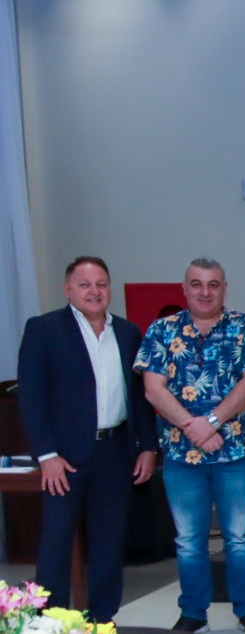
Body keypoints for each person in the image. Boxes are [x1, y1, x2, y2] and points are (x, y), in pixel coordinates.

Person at [135, 258, 245, 634]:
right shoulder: (162, 330)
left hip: (235, 452)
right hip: (181, 456)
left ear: (224, 288)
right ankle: (194, 612)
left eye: (213, 284)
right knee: (188, 541)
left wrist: (210, 422)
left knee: (240, 538)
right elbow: (153, 389)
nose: (205, 292)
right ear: (185, 289)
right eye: (197, 284)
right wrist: (192, 427)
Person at [18, 256, 157, 622]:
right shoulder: (44, 329)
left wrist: (148, 446)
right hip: (63, 457)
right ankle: (49, 622)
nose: (94, 291)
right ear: (68, 289)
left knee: (109, 539)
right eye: (84, 285)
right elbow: (32, 397)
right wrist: (46, 455)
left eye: (101, 284)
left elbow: (140, 396)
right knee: (57, 540)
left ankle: (101, 619)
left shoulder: (128, 332)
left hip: (116, 451)